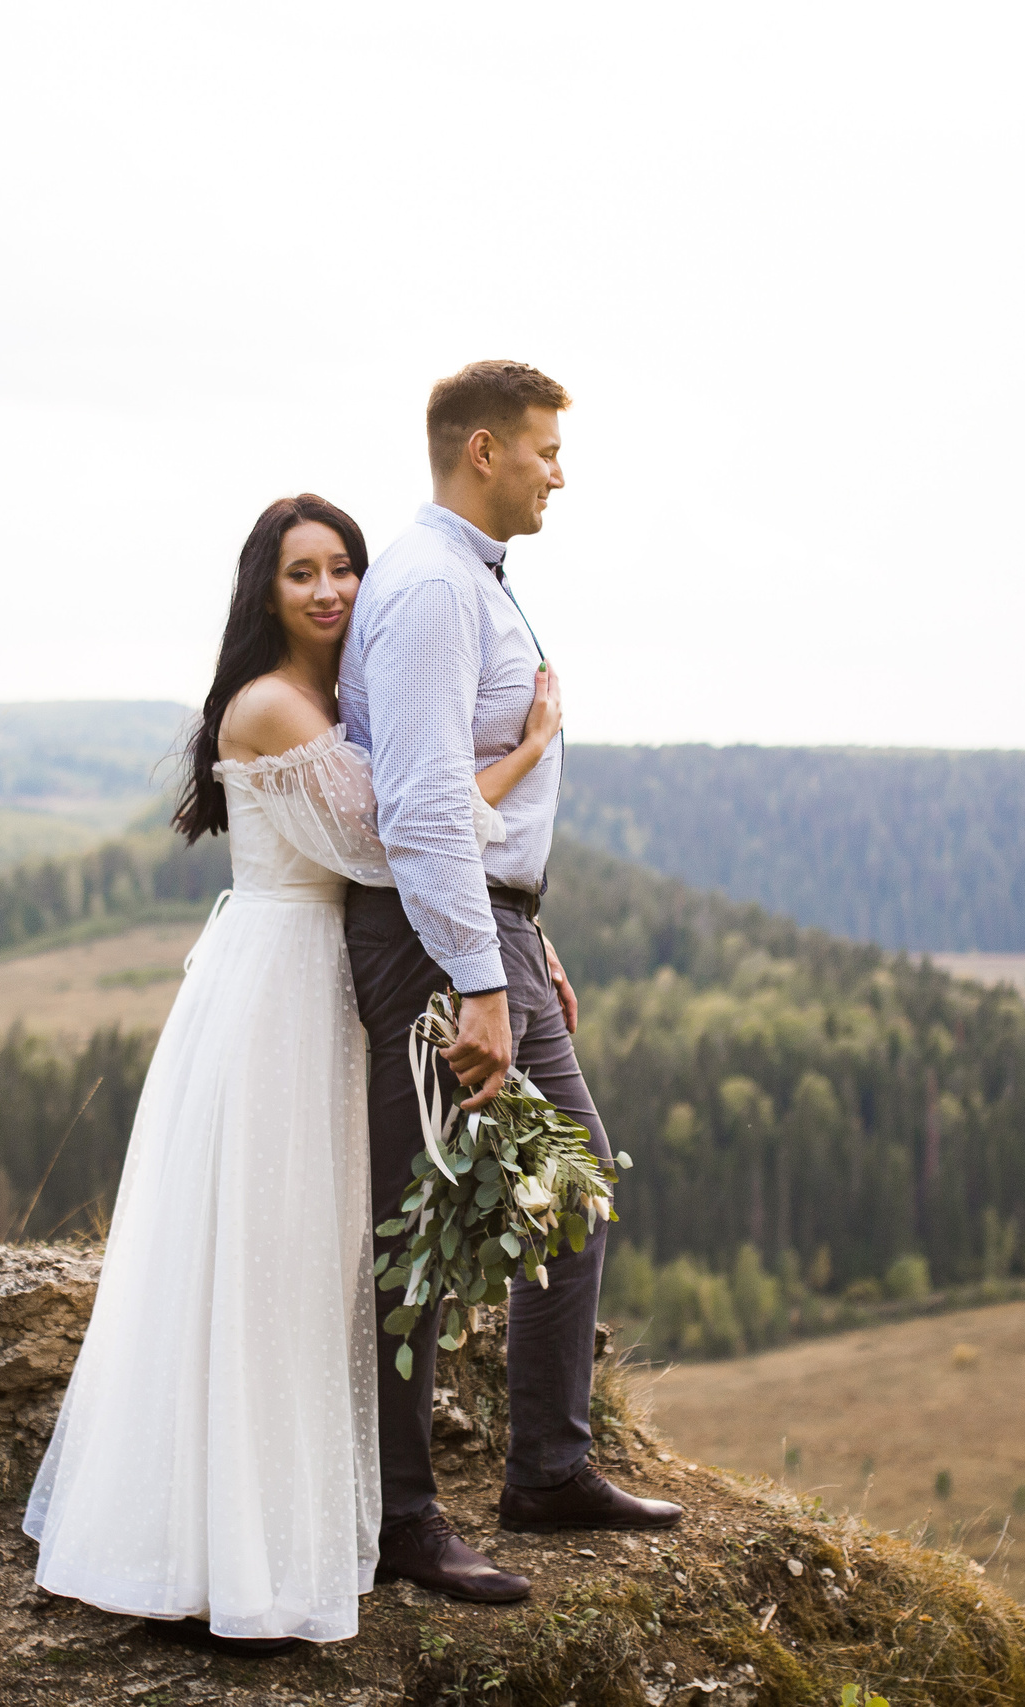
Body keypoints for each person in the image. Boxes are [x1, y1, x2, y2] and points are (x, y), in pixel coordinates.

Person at [20, 493, 560, 1651]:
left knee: (317, 1256)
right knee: (273, 1255)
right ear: (264, 590)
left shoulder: (326, 695)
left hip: (324, 974)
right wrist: (522, 754)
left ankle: (312, 1519)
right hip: (283, 982)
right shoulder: (271, 704)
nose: (329, 592)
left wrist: (527, 938)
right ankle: (235, 1548)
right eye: (301, 573)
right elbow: (386, 841)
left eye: (345, 570)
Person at [339, 361, 685, 1609]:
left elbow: (469, 815)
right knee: (423, 1220)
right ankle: (402, 1520)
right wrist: (480, 977)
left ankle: (547, 1469)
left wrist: (524, 936)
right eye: (544, 449)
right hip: (442, 947)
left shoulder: (471, 580)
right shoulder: (433, 589)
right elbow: (423, 803)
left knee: (573, 1180)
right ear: (481, 449)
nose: (558, 471)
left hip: (491, 929)